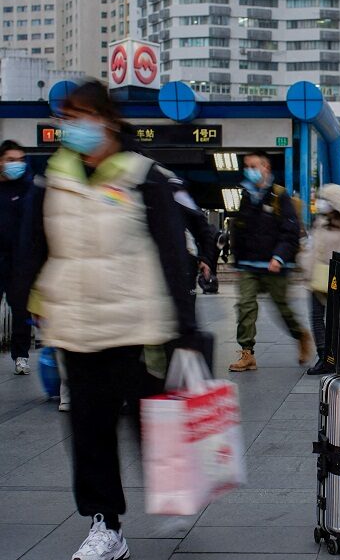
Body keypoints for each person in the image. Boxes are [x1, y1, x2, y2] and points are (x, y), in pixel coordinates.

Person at [12, 80, 198, 560]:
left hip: (137, 325)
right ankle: (106, 526)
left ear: (107, 120)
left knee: (149, 417)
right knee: (90, 434)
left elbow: (172, 251)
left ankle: (177, 482)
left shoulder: (143, 176)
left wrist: (185, 324)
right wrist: (24, 295)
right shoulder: (51, 177)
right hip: (76, 325)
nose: (70, 126)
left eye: (79, 116)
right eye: (65, 117)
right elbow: (34, 245)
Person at [228, 151, 312, 372]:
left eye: (254, 166)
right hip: (248, 264)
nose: (249, 170)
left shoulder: (279, 196)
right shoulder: (246, 195)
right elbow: (239, 229)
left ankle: (300, 335)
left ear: (265, 168)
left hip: (275, 265)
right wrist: (237, 261)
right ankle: (247, 353)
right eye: (247, 166)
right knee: (245, 306)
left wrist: (279, 257)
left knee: (282, 308)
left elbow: (290, 231)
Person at [300, 184, 340, 376]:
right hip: (317, 277)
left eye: (326, 200)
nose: (321, 203)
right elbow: (313, 248)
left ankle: (339, 355)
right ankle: (323, 355)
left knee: (338, 320)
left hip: (339, 279)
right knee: (316, 317)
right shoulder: (320, 221)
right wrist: (307, 267)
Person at [0, 140, 32, 376]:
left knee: (21, 311)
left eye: (20, 160)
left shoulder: (27, 189)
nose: (16, 165)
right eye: (11, 160)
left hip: (19, 262)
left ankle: (21, 356)